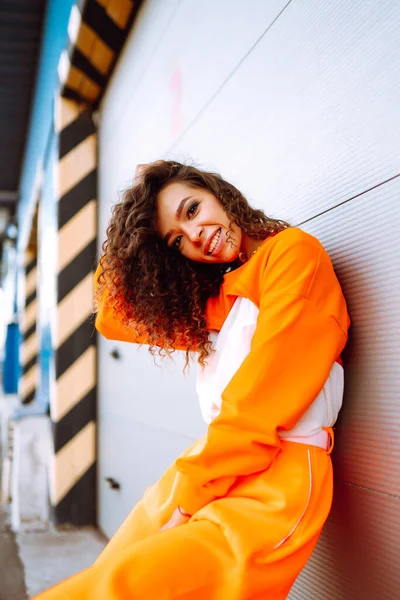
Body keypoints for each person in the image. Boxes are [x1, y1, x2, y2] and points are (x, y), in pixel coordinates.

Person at [34, 160, 350, 599]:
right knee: (106, 571)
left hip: (274, 483)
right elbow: (112, 316)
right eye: (177, 240)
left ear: (218, 191)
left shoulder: (293, 255)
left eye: (192, 209)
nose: (196, 234)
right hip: (213, 467)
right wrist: (137, 224)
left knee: (114, 590)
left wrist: (189, 498)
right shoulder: (220, 297)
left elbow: (258, 403)